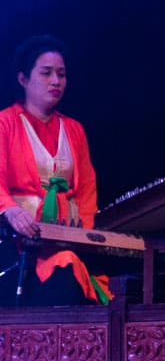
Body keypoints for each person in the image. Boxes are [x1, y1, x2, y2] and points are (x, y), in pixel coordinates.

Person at [0, 35, 109, 306]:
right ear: (23, 79)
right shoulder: (6, 123)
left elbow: (86, 190)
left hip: (67, 238)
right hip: (19, 245)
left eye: (61, 74)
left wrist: (86, 235)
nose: (56, 81)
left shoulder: (74, 129)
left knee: (73, 268)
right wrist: (10, 209)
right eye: (46, 73)